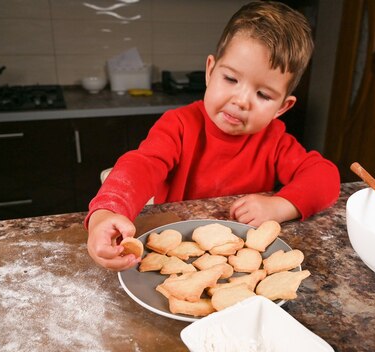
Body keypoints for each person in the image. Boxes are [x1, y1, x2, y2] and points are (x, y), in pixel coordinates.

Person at [86, 1, 340, 271]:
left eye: (263, 95)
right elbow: (140, 166)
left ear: (282, 107)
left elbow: (325, 177)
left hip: (241, 264)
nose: (241, 101)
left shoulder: (275, 141)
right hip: (177, 257)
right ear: (210, 71)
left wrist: (281, 206)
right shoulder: (179, 126)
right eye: (231, 79)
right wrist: (105, 214)